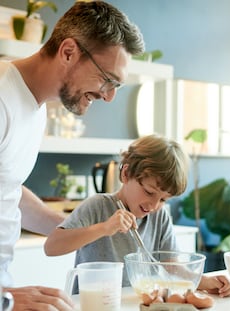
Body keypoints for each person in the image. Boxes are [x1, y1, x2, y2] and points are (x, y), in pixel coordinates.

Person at [0, 1, 145, 310]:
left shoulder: (34, 109)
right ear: (68, 52)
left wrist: (77, 227)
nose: (108, 96)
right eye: (108, 80)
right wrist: (5, 299)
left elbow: (7, 189)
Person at [44, 134, 230, 298]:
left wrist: (206, 282)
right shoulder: (98, 206)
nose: (154, 205)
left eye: (164, 200)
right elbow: (52, 246)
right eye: (149, 192)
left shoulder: (159, 217)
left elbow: (172, 267)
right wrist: (104, 228)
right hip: (96, 303)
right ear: (126, 174)